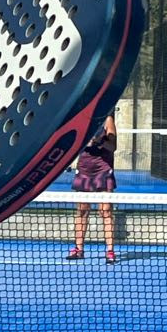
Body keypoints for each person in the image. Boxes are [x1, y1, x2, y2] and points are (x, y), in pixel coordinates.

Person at [66, 112, 120, 264]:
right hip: (84, 169)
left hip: (103, 170)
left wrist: (98, 141)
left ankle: (110, 251)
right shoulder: (82, 118)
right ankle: (78, 249)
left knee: (105, 211)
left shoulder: (107, 120)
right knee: (82, 210)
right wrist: (84, 141)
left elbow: (113, 147)